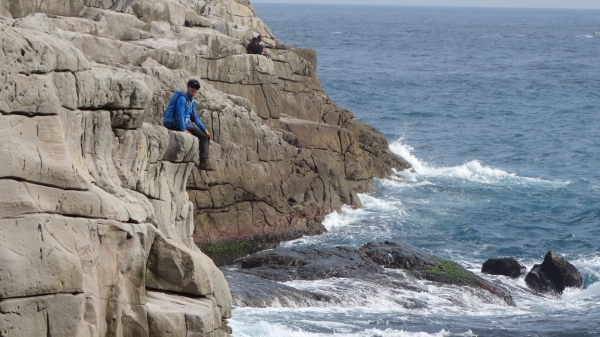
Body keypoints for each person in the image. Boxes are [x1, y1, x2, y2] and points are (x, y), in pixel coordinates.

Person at [163, 79, 215, 171]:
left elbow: (195, 118)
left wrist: (204, 129)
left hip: (189, 124)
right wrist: (183, 128)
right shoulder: (182, 98)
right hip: (181, 124)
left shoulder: (191, 101)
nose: (194, 89)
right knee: (203, 138)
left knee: (205, 136)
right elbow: (180, 114)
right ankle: (204, 162)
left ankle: (204, 161)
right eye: (193, 87)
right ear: (187, 87)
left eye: (197, 88)